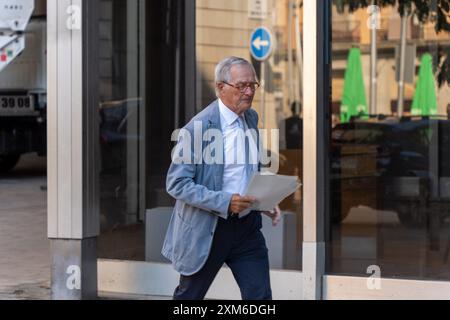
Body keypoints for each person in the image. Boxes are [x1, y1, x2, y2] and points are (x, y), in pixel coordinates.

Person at [162, 56, 281, 300]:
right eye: (241, 86)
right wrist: (225, 202)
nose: (248, 92)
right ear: (220, 87)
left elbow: (249, 168)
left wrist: (265, 199)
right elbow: (177, 184)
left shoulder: (250, 118)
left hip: (247, 229)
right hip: (209, 228)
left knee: (260, 297)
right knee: (189, 298)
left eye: (252, 85)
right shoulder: (197, 129)